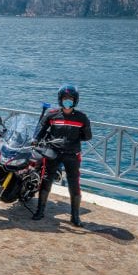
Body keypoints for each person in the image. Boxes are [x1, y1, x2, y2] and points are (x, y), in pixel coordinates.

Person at [32, 85, 92, 226]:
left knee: (74, 184)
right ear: (60, 99)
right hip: (53, 153)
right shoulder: (52, 114)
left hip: (72, 155)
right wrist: (35, 140)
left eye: (70, 98)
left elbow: (87, 136)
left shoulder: (82, 117)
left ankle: (75, 217)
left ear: (75, 100)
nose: (67, 101)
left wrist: (72, 141)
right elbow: (41, 130)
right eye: (65, 98)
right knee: (46, 180)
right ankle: (40, 211)